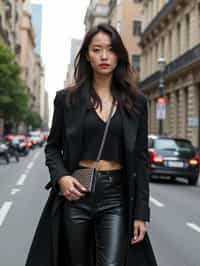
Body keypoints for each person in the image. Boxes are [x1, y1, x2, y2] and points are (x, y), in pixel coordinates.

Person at [25, 23, 157, 266]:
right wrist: (62, 178)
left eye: (110, 49)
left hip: (116, 197)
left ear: (119, 54)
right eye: (97, 50)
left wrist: (141, 214)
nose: (104, 56)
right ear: (87, 54)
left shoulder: (136, 102)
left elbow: (141, 159)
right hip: (77, 193)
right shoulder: (67, 99)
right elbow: (52, 147)